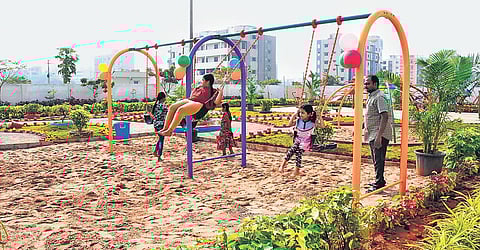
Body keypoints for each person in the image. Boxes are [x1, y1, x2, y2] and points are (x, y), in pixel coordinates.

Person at [159, 73, 224, 136]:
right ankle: (165, 128)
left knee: (181, 110)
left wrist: (220, 92)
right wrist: (196, 89)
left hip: (200, 104)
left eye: (203, 80)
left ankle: (169, 131)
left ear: (208, 81)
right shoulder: (199, 88)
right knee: (172, 107)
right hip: (190, 100)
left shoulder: (213, 91)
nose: (202, 82)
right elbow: (192, 96)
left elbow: (216, 102)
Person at [364, 75, 393, 193]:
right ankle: (379, 180)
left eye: (368, 83)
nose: (365, 86)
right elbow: (371, 114)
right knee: (376, 159)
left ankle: (379, 182)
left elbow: (384, 116)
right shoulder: (372, 97)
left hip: (378, 133)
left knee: (379, 159)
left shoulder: (379, 97)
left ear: (375, 84)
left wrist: (379, 136)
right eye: (365, 84)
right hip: (372, 132)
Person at [277, 104, 317, 176]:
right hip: (298, 139)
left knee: (298, 153)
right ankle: (282, 166)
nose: (301, 115)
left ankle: (296, 170)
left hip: (306, 142)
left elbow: (322, 126)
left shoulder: (312, 123)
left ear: (309, 114)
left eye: (303, 113)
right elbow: (289, 124)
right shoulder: (299, 121)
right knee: (292, 150)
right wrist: (293, 115)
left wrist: (319, 116)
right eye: (300, 112)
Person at [152, 92, 168, 160]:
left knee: (160, 138)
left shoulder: (156, 105)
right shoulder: (163, 105)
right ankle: (159, 155)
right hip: (161, 124)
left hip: (156, 124)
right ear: (163, 98)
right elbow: (168, 113)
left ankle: (155, 151)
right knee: (162, 139)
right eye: (165, 97)